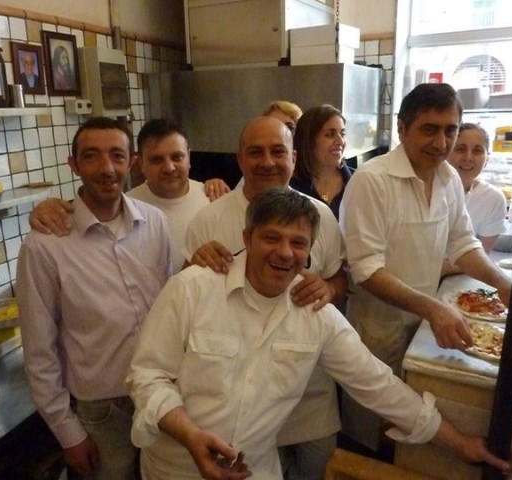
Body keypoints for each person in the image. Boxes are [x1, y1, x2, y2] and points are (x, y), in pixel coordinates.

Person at [127, 187, 512, 480]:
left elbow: (379, 385)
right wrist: (191, 436)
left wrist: (462, 444)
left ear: (310, 250)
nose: (284, 252)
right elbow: (147, 376)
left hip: (253, 470)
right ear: (247, 239)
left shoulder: (314, 313)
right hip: (174, 468)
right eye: (271, 238)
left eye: (297, 243)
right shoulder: (193, 288)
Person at [339, 83, 512, 450]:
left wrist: (502, 282)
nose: (441, 142)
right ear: (402, 129)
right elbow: (366, 269)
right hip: (377, 329)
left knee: (415, 423)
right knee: (372, 428)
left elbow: (463, 243)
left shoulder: (448, 179)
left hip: (421, 327)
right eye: (429, 129)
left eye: (450, 130)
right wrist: (433, 308)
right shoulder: (373, 181)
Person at [183, 116, 347, 479]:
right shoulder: (208, 219)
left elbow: (340, 276)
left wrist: (331, 288)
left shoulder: (319, 214)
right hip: (237, 400)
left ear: (293, 157)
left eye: (278, 152)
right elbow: (183, 293)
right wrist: (193, 263)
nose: (268, 162)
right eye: (256, 152)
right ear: (240, 159)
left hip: (309, 390)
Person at [17, 117, 172, 479]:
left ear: (132, 162)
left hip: (162, 394)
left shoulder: (155, 223)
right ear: (73, 164)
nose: (107, 168)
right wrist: (67, 432)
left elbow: (171, 307)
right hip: (102, 413)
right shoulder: (45, 245)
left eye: (117, 156)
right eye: (91, 156)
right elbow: (39, 350)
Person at [28, 119, 230, 273]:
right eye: (157, 160)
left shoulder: (214, 197)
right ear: (139, 164)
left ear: (189, 158)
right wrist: (48, 208)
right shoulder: (130, 210)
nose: (169, 167)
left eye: (177, 157)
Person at [442, 123, 507, 276]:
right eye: (460, 149)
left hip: (456, 279)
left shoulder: (493, 199)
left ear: (487, 159)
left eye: (477, 151)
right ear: (446, 153)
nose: (468, 157)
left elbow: (480, 257)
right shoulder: (427, 188)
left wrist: (432, 270)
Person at [291, 104, 353, 220]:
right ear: (308, 140)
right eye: (330, 134)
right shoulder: (290, 185)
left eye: (342, 134)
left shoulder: (358, 181)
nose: (340, 141)